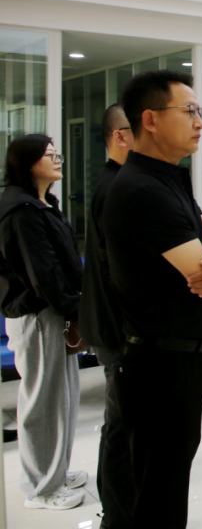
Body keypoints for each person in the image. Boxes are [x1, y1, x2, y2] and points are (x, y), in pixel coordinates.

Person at [102, 70, 202, 528]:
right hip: (158, 365)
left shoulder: (169, 180)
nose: (200, 121)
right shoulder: (140, 189)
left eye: (199, 111)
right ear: (150, 119)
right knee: (158, 496)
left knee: (167, 482)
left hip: (182, 359)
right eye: (189, 111)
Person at [0, 135, 86, 510]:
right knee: (42, 402)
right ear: (27, 163)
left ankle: (55, 471)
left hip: (54, 311)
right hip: (37, 315)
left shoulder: (43, 203)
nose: (57, 160)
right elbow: (43, 273)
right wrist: (76, 307)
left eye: (57, 154)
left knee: (62, 397)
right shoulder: (21, 210)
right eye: (49, 155)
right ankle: (41, 488)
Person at [80, 104, 135, 528]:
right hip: (118, 330)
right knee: (121, 426)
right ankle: (114, 515)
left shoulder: (121, 182)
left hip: (117, 327)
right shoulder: (115, 187)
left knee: (125, 423)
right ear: (120, 136)